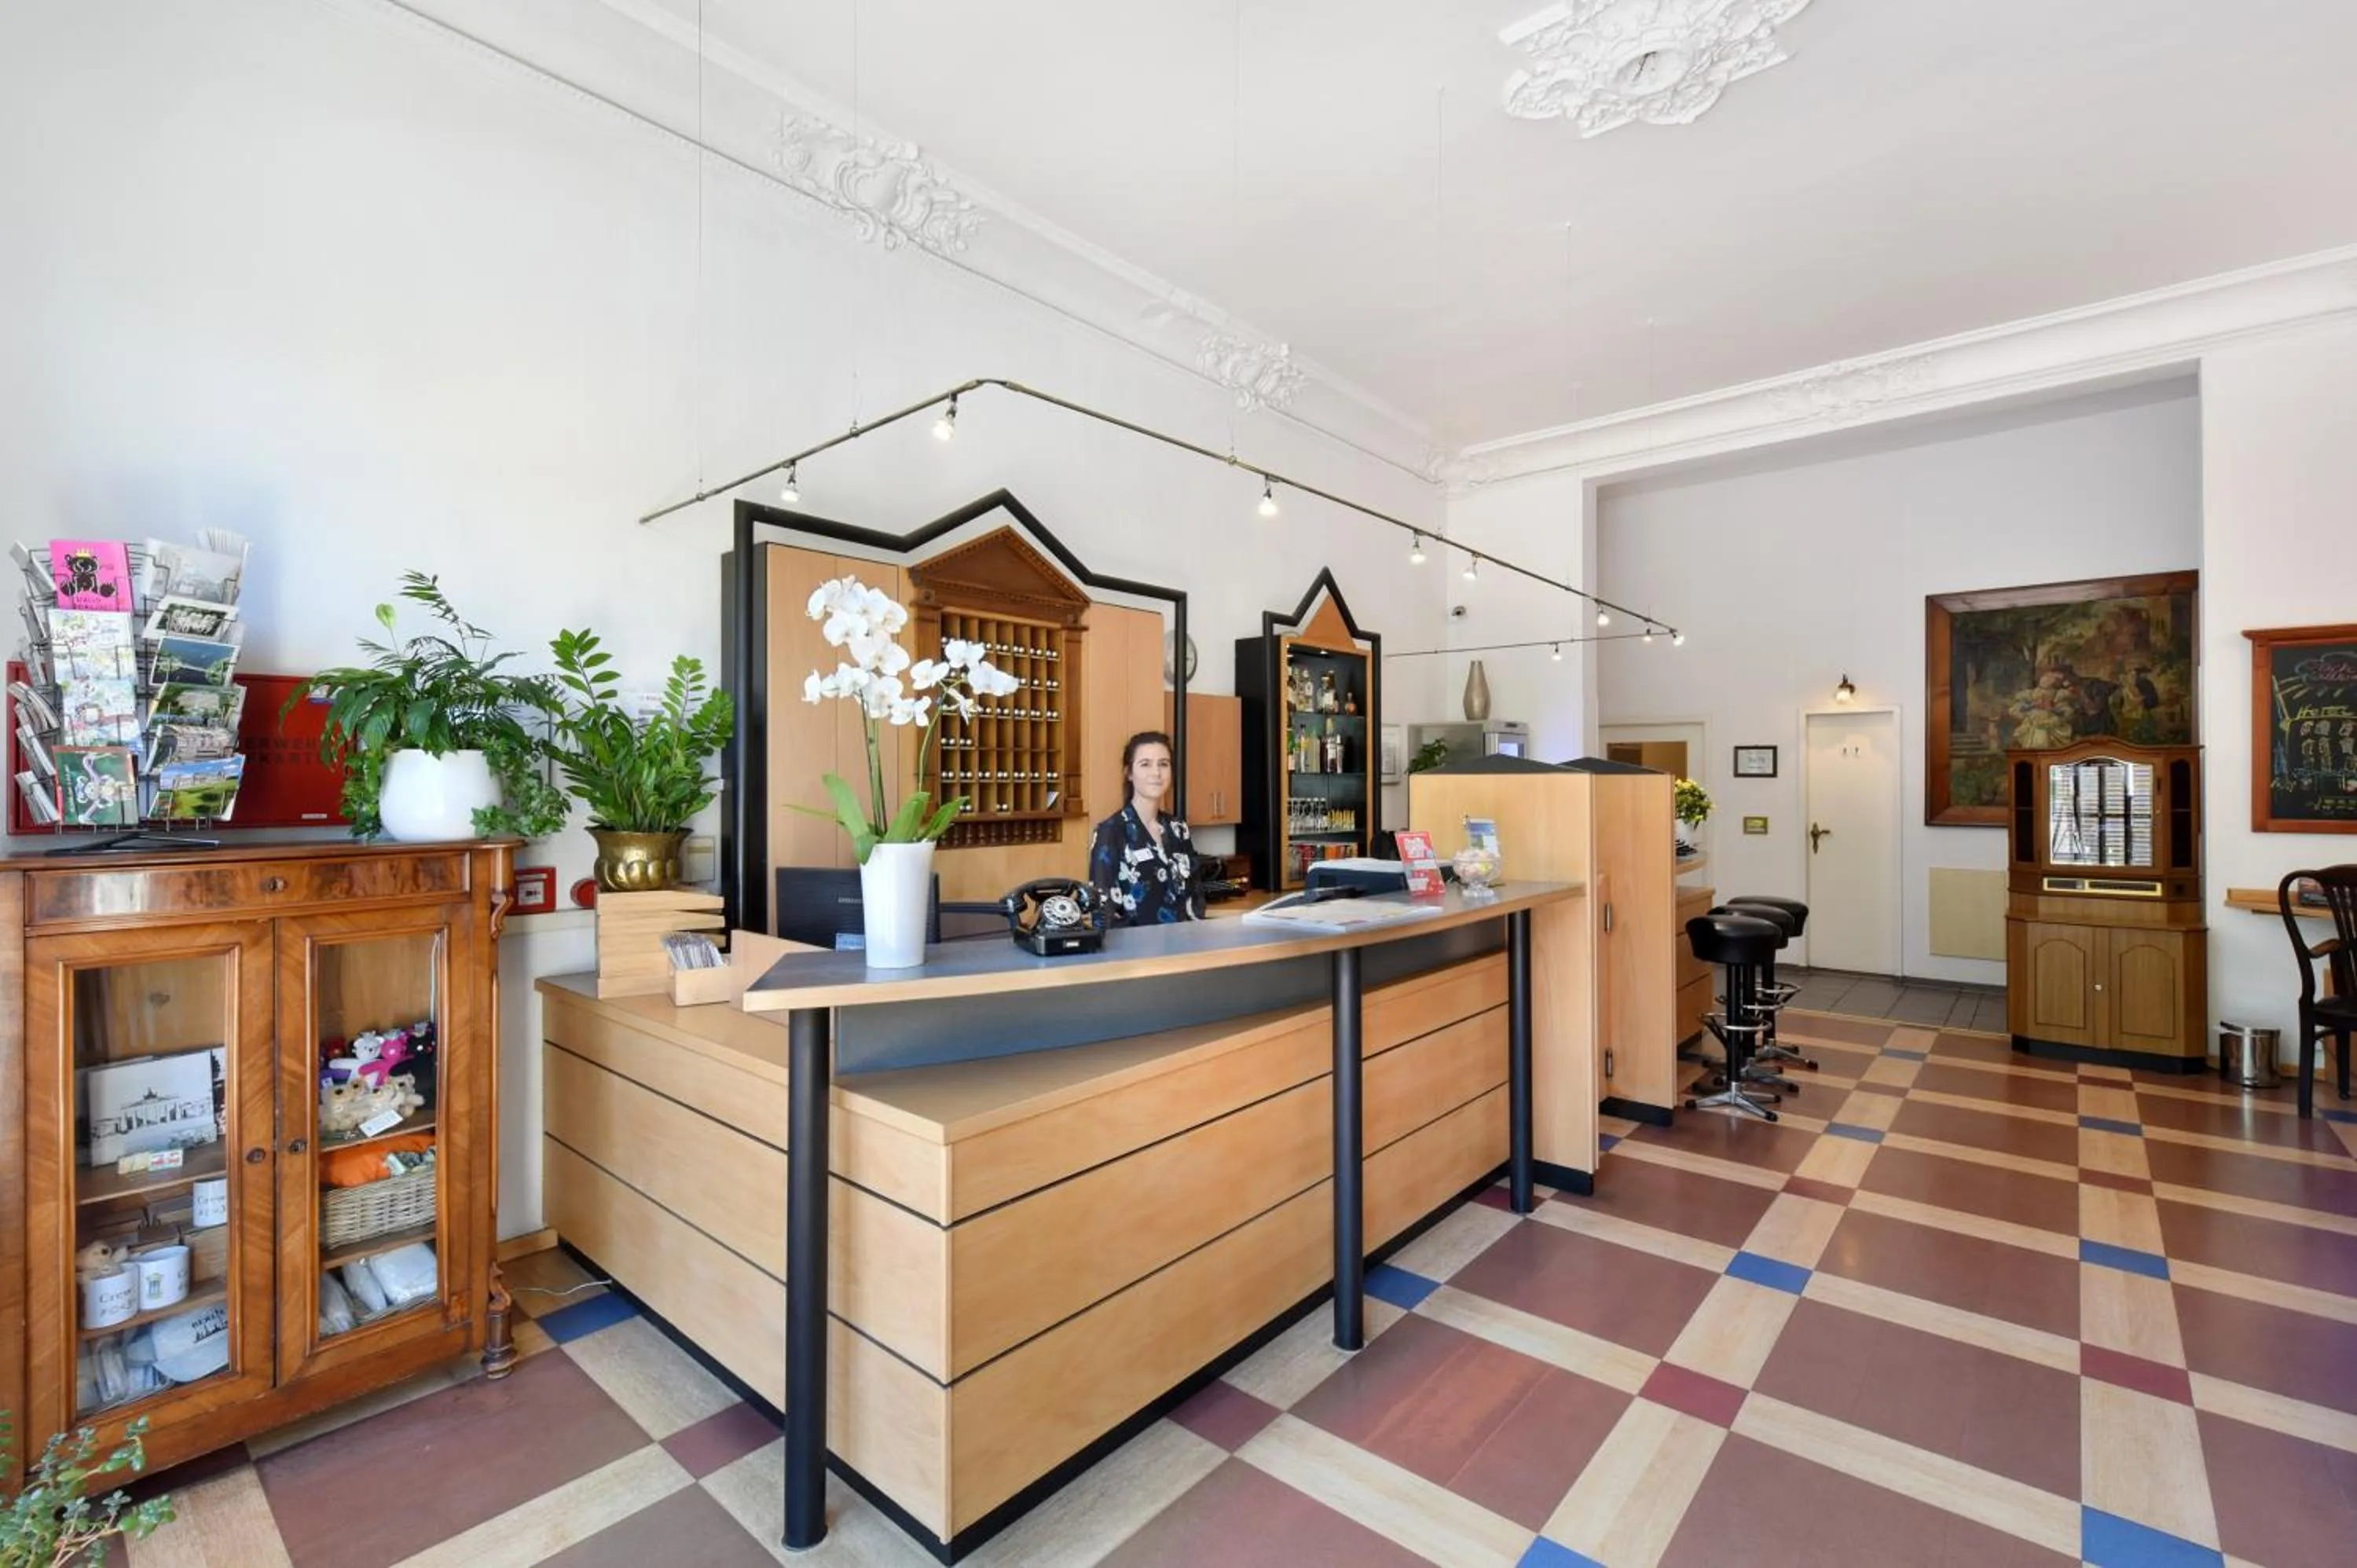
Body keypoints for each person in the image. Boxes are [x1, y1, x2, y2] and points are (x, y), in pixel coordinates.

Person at [1088, 730, 1203, 925]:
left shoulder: (1178, 828)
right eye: (1145, 764)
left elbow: (1196, 895)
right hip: (1135, 951)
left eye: (1163, 764)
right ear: (1129, 773)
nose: (1156, 773)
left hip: (1183, 946)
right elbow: (1102, 912)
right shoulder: (1111, 831)